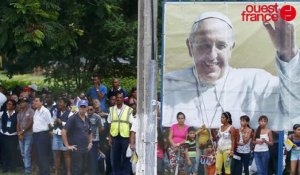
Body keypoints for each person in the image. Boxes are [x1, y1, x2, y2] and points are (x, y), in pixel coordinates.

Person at [163, 11, 300, 129]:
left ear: (231, 48)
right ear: (190, 46)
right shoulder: (169, 85)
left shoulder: (256, 82)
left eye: (221, 45)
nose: (212, 55)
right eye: (204, 45)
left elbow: (294, 107)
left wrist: (288, 55)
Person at [61, 100, 92, 175]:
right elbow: (63, 131)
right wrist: (67, 145)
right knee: (76, 170)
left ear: (87, 108)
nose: (83, 108)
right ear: (78, 107)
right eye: (81, 106)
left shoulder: (87, 119)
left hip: (85, 149)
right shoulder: (73, 118)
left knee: (84, 169)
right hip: (76, 149)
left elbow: (90, 132)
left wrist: (90, 142)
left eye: (84, 106)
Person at [108, 91, 134, 175]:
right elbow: (110, 124)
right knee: (115, 158)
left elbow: (131, 125)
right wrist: (109, 137)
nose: (119, 99)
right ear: (115, 99)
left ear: (123, 99)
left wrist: (131, 140)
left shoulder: (128, 109)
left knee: (126, 157)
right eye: (117, 97)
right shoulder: (111, 109)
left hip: (125, 137)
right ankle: (116, 173)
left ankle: (125, 173)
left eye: (120, 97)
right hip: (115, 137)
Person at [32, 96, 53, 175]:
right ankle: (41, 172)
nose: (35, 102)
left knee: (43, 155)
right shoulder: (36, 111)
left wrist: (49, 133)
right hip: (36, 135)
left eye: (37, 101)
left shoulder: (45, 111)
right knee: (38, 155)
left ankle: (45, 173)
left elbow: (50, 124)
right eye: (34, 101)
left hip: (43, 135)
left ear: (41, 102)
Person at [52, 98, 72, 175]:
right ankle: (57, 172)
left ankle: (68, 172)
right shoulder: (56, 111)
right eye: (58, 102)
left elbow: (70, 125)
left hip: (65, 136)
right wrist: (54, 122)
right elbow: (52, 121)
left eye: (60, 102)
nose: (59, 104)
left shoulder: (70, 113)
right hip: (56, 134)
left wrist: (61, 122)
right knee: (57, 154)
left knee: (66, 155)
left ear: (66, 104)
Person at [17, 96, 34, 175]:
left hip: (28, 134)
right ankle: (26, 167)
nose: (21, 104)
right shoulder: (19, 112)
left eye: (22, 102)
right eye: (20, 102)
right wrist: (19, 133)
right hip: (21, 134)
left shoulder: (31, 111)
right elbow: (17, 124)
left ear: (26, 103)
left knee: (27, 152)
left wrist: (22, 132)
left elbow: (31, 122)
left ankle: (28, 169)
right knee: (22, 152)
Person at [1, 99, 18, 173]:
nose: (8, 105)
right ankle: (5, 168)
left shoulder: (17, 114)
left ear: (13, 106)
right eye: (7, 104)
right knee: (4, 152)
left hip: (13, 136)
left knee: (12, 152)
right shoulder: (3, 113)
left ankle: (13, 168)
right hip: (3, 135)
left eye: (10, 104)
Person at [87, 104, 103, 175]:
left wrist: (95, 134)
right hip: (85, 141)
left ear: (94, 110)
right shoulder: (84, 116)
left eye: (91, 109)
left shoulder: (97, 117)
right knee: (87, 158)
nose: (89, 111)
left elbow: (102, 128)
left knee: (93, 158)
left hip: (94, 141)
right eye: (88, 109)